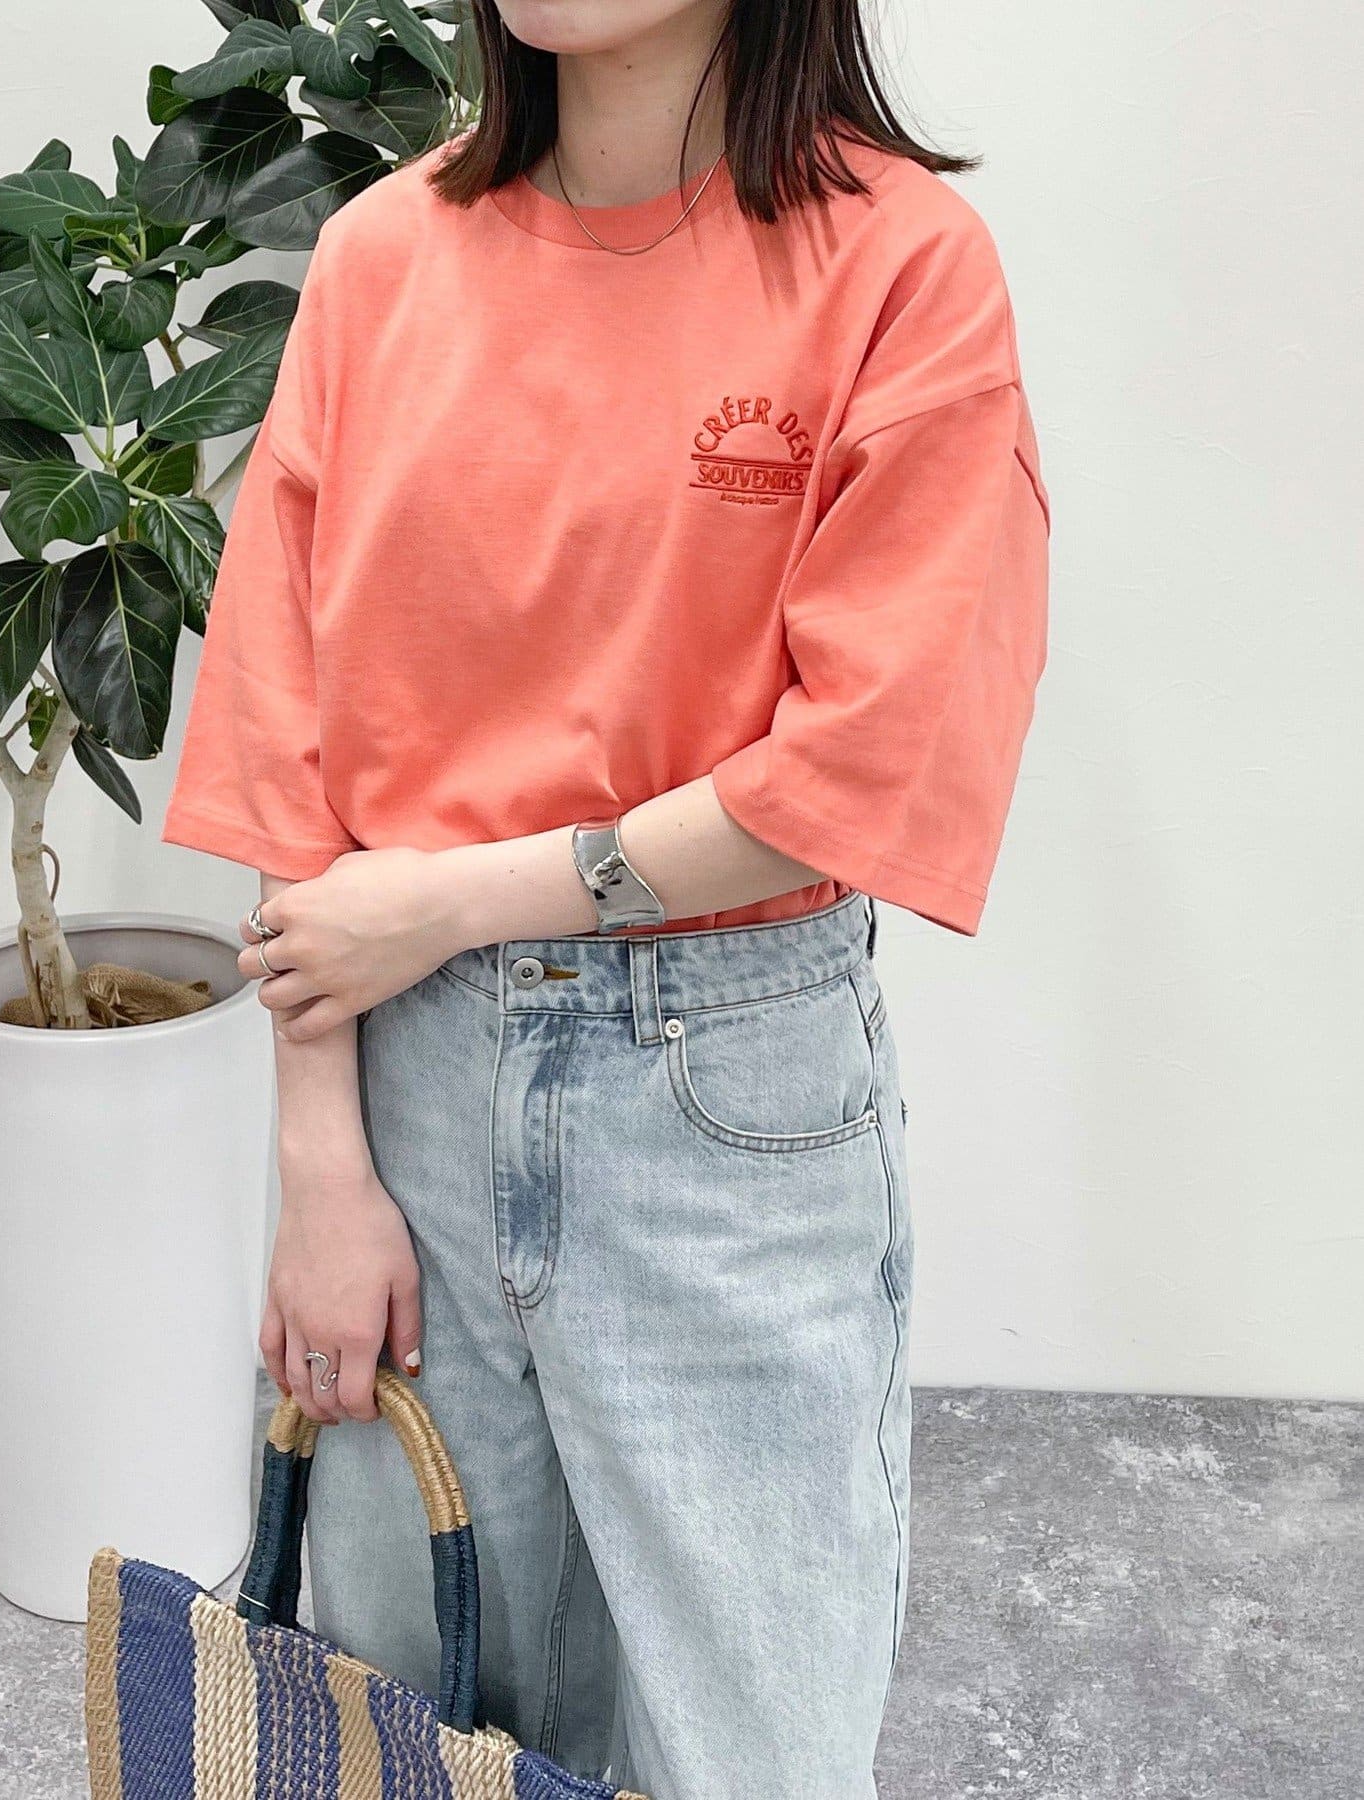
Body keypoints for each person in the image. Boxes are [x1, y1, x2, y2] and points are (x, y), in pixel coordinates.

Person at [160, 0, 1051, 1792]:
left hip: (724, 1095)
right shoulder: (384, 256)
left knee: (754, 1742)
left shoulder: (901, 266)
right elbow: (283, 730)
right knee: (415, 1722)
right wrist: (322, 1166)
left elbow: (858, 770)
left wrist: (454, 902)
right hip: (404, 1078)